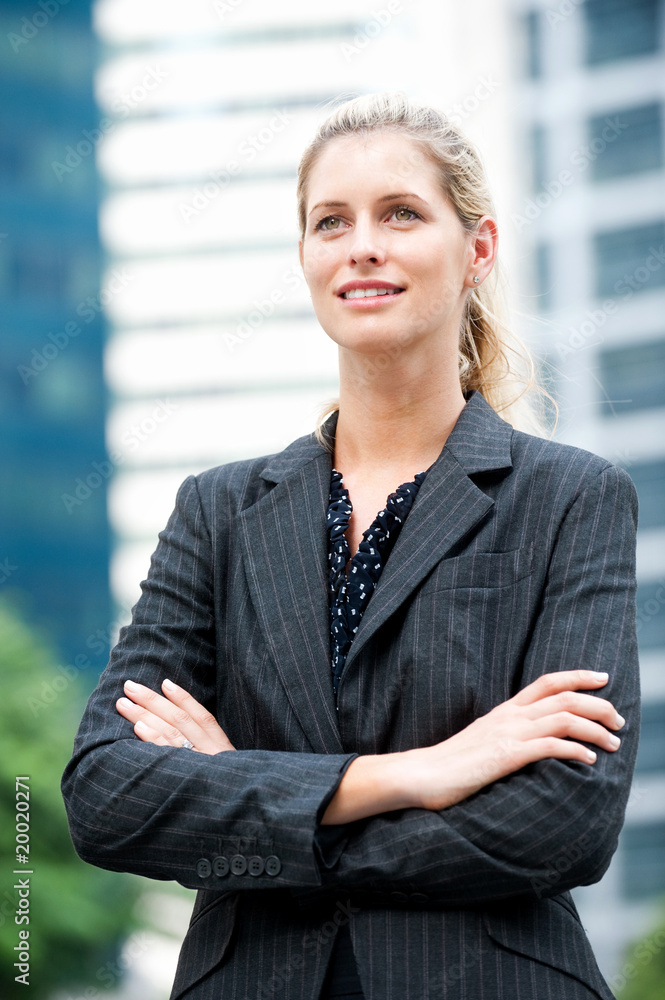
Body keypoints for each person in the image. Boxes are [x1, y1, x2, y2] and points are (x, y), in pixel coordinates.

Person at [61, 93, 640, 1000]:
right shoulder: (216, 512)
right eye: (330, 221)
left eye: (400, 213)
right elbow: (107, 795)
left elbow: (562, 822)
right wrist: (419, 773)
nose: (361, 244)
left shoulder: (569, 498)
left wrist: (255, 808)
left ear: (476, 250)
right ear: (305, 257)